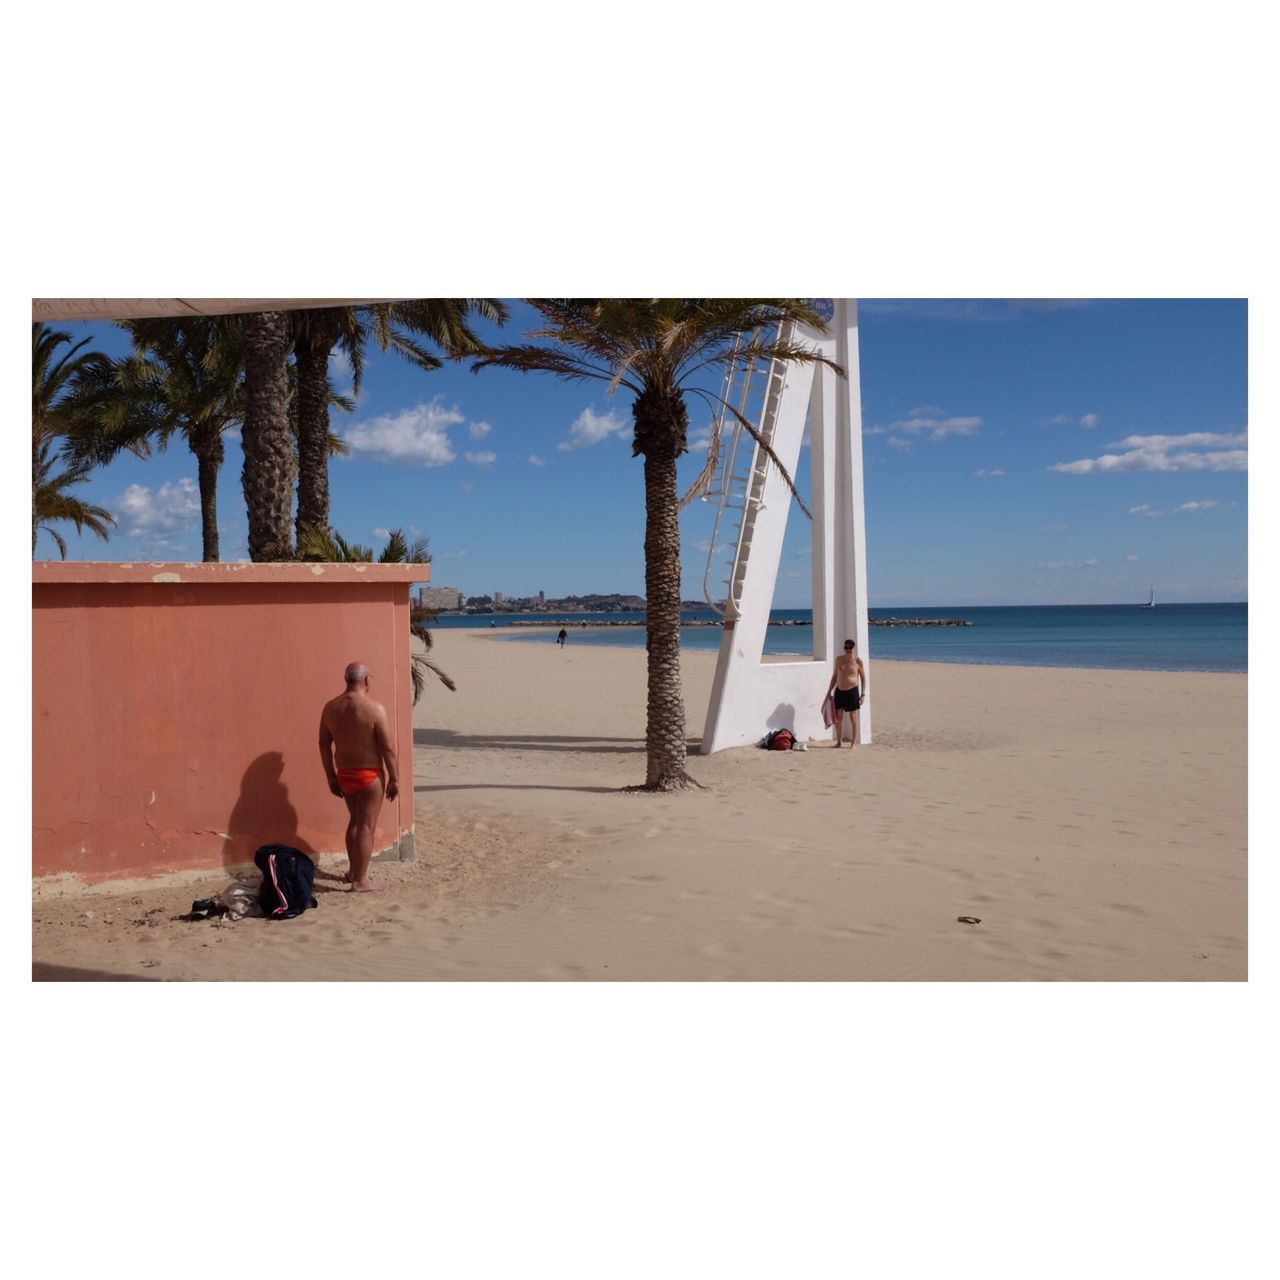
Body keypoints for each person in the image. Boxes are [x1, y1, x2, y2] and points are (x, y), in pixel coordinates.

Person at [319, 661, 400, 892]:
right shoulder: (374, 708)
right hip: (369, 775)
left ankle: (354, 871)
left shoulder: (330, 708)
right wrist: (395, 778)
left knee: (354, 822)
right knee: (366, 826)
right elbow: (388, 748)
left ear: (347, 679)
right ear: (366, 680)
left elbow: (324, 744)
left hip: (344, 774)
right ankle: (360, 880)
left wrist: (331, 776)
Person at [825, 638, 868, 748]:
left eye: (850, 648)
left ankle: (853, 743)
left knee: (853, 718)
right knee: (838, 719)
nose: (848, 650)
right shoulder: (839, 659)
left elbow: (863, 678)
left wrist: (863, 694)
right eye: (846, 648)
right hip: (839, 691)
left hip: (852, 691)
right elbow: (835, 676)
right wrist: (829, 691)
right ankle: (839, 742)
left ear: (853, 648)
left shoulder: (858, 661)